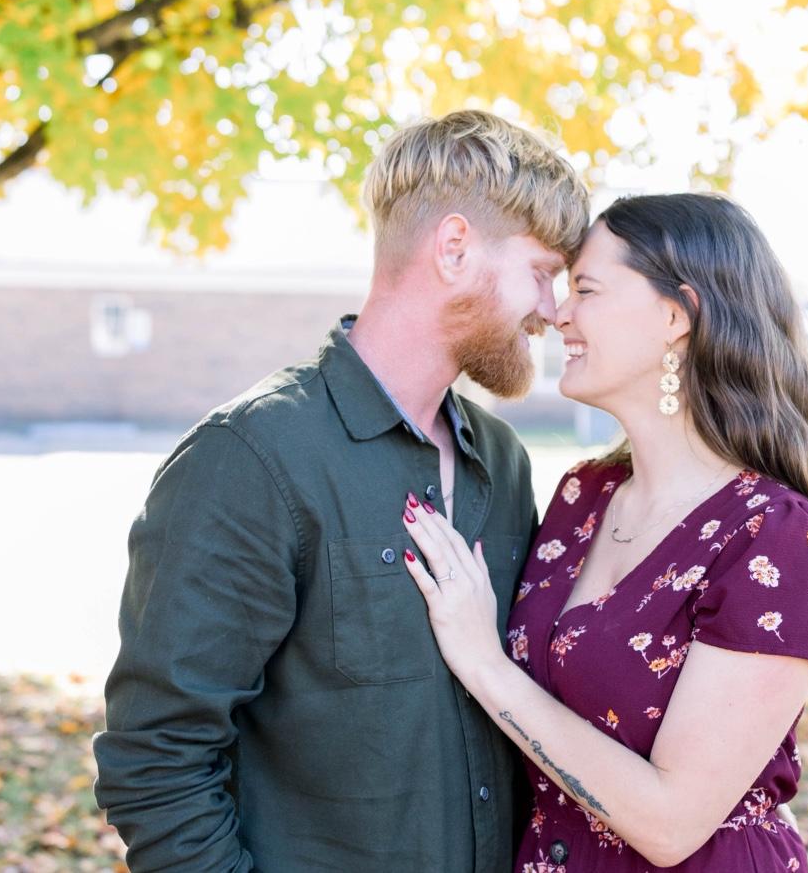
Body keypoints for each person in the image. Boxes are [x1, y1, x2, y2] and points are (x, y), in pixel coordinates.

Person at [92, 109, 590, 871]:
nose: (553, 311)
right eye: (542, 273)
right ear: (455, 249)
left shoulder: (503, 464)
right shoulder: (250, 458)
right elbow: (157, 762)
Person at [400, 192, 808, 871]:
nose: (558, 313)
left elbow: (670, 823)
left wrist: (485, 665)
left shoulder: (773, 536)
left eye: (586, 289)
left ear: (675, 316)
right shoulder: (583, 495)